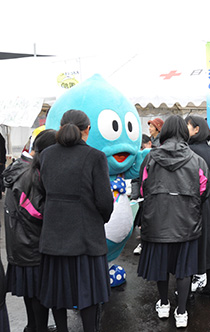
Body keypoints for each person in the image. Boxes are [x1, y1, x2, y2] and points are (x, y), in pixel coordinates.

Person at [38, 110, 114, 332]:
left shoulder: (47, 155)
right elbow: (104, 201)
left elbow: (43, 192)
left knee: (57, 291)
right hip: (85, 237)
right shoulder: (95, 156)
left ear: (61, 126)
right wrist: (101, 218)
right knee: (88, 293)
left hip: (54, 235)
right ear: (87, 130)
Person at [137, 115, 210, 328]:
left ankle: (164, 303)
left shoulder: (150, 158)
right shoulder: (197, 160)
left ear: (165, 131)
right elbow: (203, 190)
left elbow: (142, 188)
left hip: (157, 221)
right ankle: (182, 312)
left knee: (161, 267)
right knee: (184, 269)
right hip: (187, 222)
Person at [3, 129, 57, 332]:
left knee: (30, 291)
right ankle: (39, 328)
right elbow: (36, 212)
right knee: (38, 293)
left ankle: (32, 326)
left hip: (19, 242)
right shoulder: (30, 174)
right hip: (30, 244)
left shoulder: (19, 167)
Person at [185, 115, 210, 300]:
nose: (185, 130)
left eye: (188, 126)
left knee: (191, 246)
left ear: (197, 129)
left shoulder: (187, 152)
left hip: (190, 207)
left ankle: (189, 287)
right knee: (208, 244)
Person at [131, 134, 153, 255]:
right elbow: (135, 178)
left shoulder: (156, 156)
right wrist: (136, 195)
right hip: (142, 196)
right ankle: (143, 243)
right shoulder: (139, 158)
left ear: (150, 144)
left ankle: (145, 243)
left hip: (152, 196)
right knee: (142, 221)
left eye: (143, 146)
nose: (141, 150)